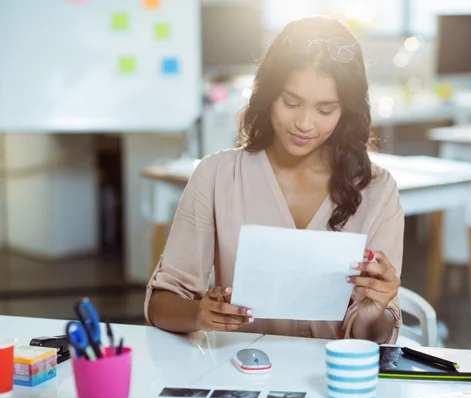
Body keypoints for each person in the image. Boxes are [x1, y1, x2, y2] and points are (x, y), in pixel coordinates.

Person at [145, 15, 405, 344]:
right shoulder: (216, 176)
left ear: (346, 111)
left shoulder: (378, 191)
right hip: (241, 378)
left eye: (325, 110)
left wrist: (374, 307)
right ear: (268, 95)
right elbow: (161, 304)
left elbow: (374, 337)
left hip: (333, 382)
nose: (305, 124)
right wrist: (200, 313)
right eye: (291, 102)